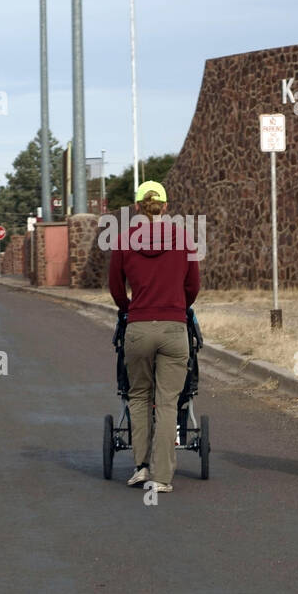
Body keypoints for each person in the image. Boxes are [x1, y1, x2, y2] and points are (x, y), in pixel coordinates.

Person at [108, 180, 200, 494]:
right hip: (174, 328)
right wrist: (178, 306)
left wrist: (129, 309)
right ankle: (161, 477)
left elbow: (116, 288)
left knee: (137, 397)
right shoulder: (183, 238)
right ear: (165, 205)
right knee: (167, 402)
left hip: (138, 327)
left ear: (137, 207)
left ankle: (140, 467)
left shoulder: (123, 240)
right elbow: (193, 286)